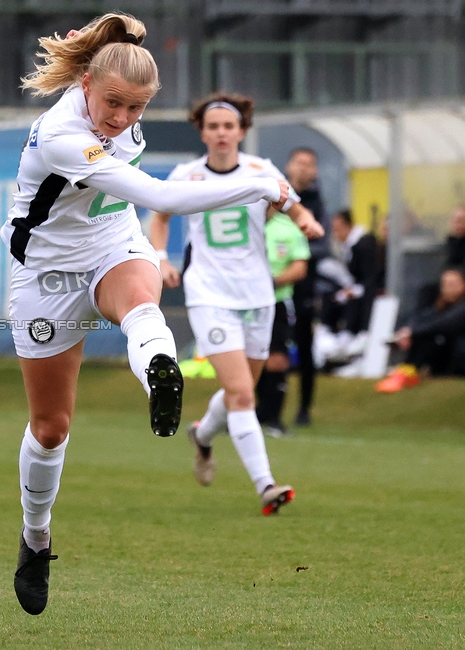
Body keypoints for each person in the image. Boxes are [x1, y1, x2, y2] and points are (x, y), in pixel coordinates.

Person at [4, 14, 290, 616]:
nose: (121, 120)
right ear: (85, 84)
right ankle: (35, 539)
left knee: (142, 302)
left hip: (113, 246)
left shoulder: (120, 113)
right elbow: (161, 197)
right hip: (47, 273)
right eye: (113, 104)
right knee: (51, 427)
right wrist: (258, 185)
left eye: (135, 110)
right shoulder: (61, 132)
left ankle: (160, 366)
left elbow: (137, 207)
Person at [148, 91, 322, 517]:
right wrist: (161, 259)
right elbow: (160, 216)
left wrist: (306, 221)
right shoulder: (187, 175)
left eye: (229, 126)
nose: (222, 133)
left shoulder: (260, 170)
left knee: (240, 391)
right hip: (209, 294)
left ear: (242, 131)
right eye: (213, 127)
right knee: (243, 394)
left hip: (258, 295)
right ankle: (266, 485)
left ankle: (203, 436)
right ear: (202, 133)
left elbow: (290, 205)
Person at [376, 268, 465, 392]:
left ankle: (408, 371)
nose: (447, 289)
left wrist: (412, 333)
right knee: (427, 333)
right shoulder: (445, 307)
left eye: (452, 285)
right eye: (445, 285)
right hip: (459, 356)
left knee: (434, 336)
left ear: (464, 286)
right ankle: (408, 370)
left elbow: (443, 324)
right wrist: (409, 331)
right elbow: (424, 318)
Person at [256, 211, 310, 437]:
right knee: (251, 359)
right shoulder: (243, 219)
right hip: (245, 301)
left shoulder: (288, 228)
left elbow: (300, 267)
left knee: (277, 359)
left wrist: (274, 281)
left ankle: (274, 418)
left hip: (277, 301)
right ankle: (256, 414)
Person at [285, 147, 329, 426]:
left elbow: (323, 243)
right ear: (289, 166)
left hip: (302, 281)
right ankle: (259, 405)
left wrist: (296, 253)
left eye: (309, 164)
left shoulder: (317, 202)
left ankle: (304, 408)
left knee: (304, 342)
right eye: (300, 163)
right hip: (267, 278)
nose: (304, 169)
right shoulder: (276, 194)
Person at [317, 209, 379, 341]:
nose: (335, 234)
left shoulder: (364, 245)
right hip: (357, 286)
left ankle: (351, 333)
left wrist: (353, 290)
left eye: (337, 229)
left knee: (348, 299)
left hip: (367, 291)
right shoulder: (348, 247)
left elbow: (369, 277)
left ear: (347, 226)